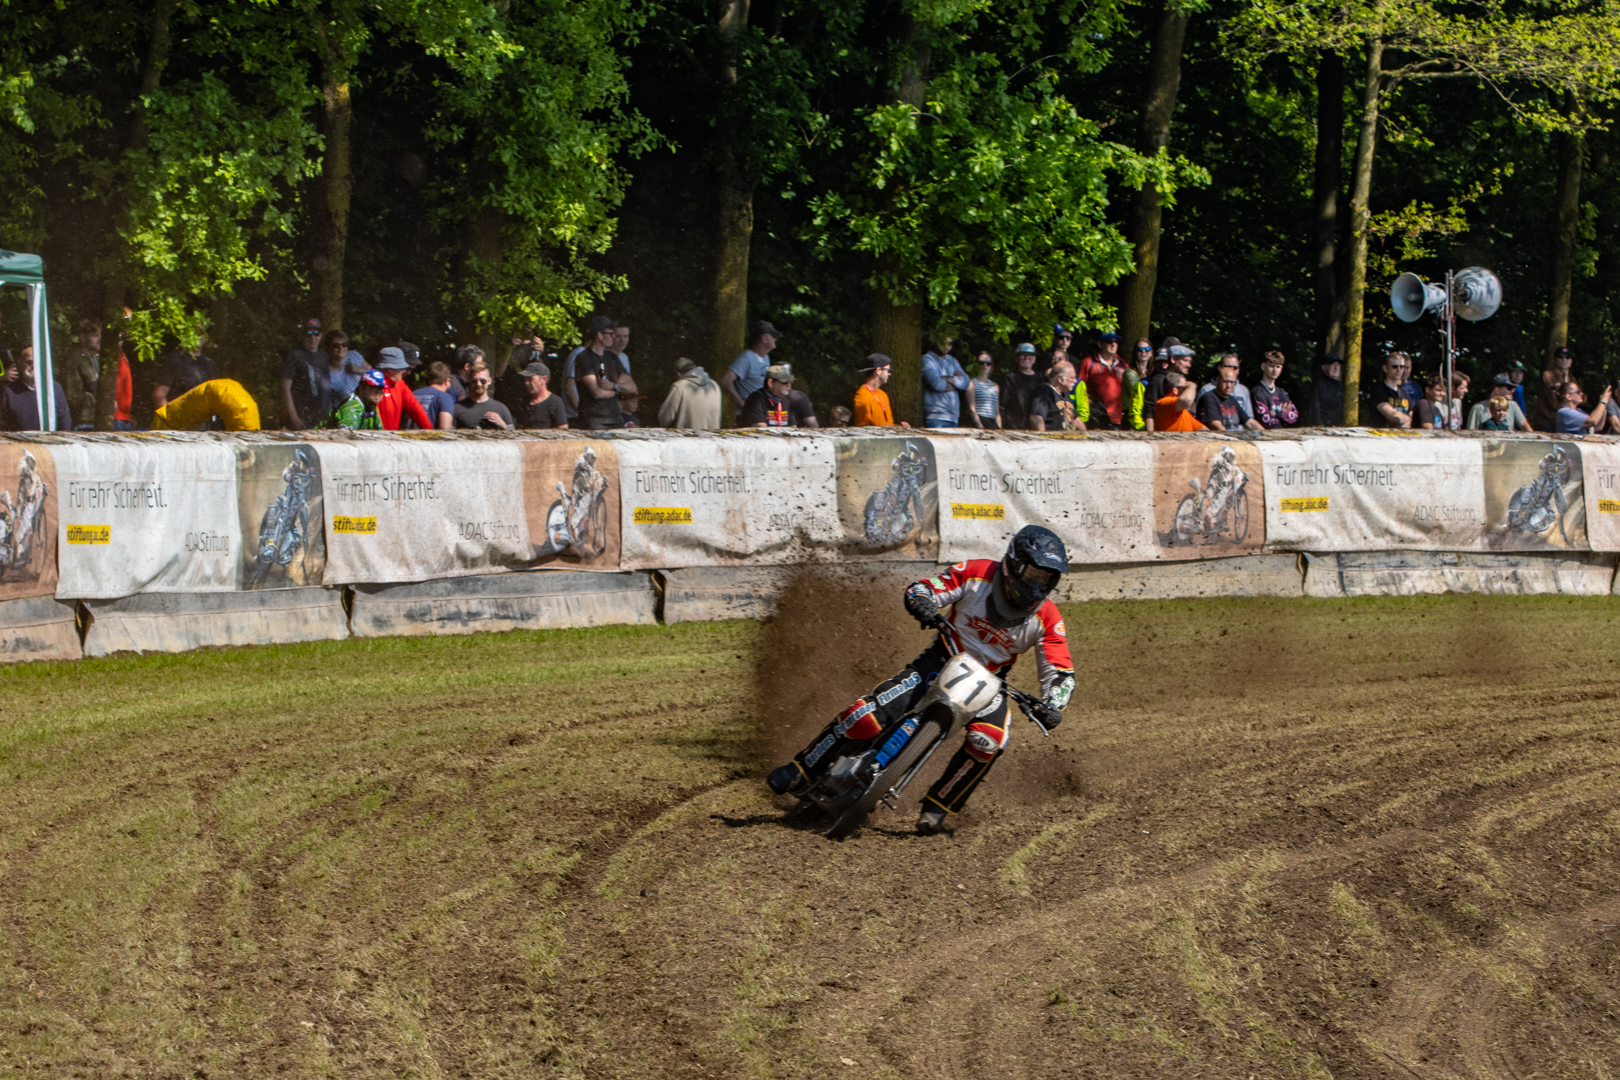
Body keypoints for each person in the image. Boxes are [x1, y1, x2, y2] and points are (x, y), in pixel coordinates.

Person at [764, 526, 1076, 835]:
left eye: (1047, 579)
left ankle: (937, 808)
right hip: (941, 659)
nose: (1039, 585)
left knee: (990, 739)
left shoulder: (1048, 617)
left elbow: (1060, 672)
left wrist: (1053, 704)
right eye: (1035, 574)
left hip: (991, 683)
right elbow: (925, 587)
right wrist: (922, 601)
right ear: (1014, 564)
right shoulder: (976, 573)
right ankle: (803, 768)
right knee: (865, 716)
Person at [574, 318, 635, 430]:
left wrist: (613, 386)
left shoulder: (612, 357)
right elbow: (597, 393)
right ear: (600, 335)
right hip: (594, 421)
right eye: (610, 333)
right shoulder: (584, 358)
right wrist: (618, 390)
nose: (614, 336)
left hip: (616, 419)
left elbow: (632, 388)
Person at [0, 347, 72, 431]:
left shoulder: (54, 388)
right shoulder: (9, 391)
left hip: (50, 438)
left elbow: (65, 420)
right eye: (29, 362)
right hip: (17, 439)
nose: (33, 366)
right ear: (20, 363)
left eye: (37, 362)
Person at [368, 347, 435, 430]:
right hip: (371, 435)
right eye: (401, 368)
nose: (403, 371)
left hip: (392, 436)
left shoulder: (399, 383)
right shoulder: (371, 384)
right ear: (388, 370)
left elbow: (414, 408)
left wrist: (429, 430)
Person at [719, 320, 781, 410]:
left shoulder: (765, 357)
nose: (775, 339)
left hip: (761, 411)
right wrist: (741, 403)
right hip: (749, 414)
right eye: (773, 336)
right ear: (764, 339)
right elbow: (725, 381)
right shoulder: (746, 358)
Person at [281, 318, 330, 429]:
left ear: (321, 336)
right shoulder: (295, 355)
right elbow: (285, 387)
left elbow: (326, 388)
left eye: (316, 333)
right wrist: (294, 417)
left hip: (320, 418)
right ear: (302, 336)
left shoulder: (324, 356)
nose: (313, 337)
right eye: (308, 333)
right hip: (300, 417)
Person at [739, 363, 818, 428]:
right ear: (771, 383)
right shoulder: (756, 399)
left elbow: (793, 428)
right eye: (785, 382)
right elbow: (761, 430)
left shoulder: (786, 399)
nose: (789, 385)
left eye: (790, 382)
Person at [1075, 332, 1126, 429]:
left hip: (1119, 419)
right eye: (1109, 341)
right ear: (1100, 344)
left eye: (1116, 341)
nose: (1113, 344)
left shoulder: (1123, 364)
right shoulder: (1088, 363)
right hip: (1096, 418)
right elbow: (1078, 386)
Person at [153, 339, 217, 412]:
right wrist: (169, 417)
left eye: (202, 333)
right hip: (178, 415)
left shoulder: (209, 363)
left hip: (204, 417)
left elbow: (214, 395)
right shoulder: (173, 359)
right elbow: (159, 396)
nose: (199, 336)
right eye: (196, 333)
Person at [658, 357, 722, 430]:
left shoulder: (679, 387)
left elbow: (665, 419)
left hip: (688, 436)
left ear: (678, 374)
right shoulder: (714, 386)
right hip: (713, 436)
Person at [1144, 338, 1193, 431]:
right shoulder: (1158, 380)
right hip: (1163, 434)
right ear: (1173, 359)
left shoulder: (1182, 380)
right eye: (1185, 360)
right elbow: (1149, 411)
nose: (1188, 365)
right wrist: (1151, 436)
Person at [921, 336, 970, 428]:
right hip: (935, 417)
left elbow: (966, 382)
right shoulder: (927, 359)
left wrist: (947, 380)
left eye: (949, 343)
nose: (946, 346)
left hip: (953, 418)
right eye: (943, 342)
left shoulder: (953, 361)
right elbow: (936, 383)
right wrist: (956, 382)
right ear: (935, 342)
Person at [62, 319, 101, 429]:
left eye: (100, 335)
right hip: (83, 420)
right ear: (83, 337)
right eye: (95, 335)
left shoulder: (98, 359)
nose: (100, 339)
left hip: (99, 418)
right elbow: (72, 395)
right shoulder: (74, 360)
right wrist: (98, 399)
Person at [452, 361, 516, 429]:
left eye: (483, 381)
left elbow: (513, 434)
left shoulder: (501, 409)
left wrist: (502, 424)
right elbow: (450, 434)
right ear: (469, 381)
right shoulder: (457, 409)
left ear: (489, 381)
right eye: (474, 381)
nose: (478, 384)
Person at [1194, 367, 1261, 431]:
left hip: (1232, 437)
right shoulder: (1209, 397)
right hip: (1216, 438)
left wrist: (1265, 434)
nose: (1228, 386)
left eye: (1232, 382)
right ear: (1218, 380)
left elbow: (1249, 423)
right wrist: (1231, 438)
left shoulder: (1232, 400)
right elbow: (1215, 425)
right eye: (1225, 381)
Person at [852, 354, 908, 427]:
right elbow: (863, 430)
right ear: (878, 371)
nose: (889, 374)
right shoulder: (862, 397)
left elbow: (886, 426)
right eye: (887, 370)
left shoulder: (883, 395)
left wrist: (899, 427)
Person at [1028, 360, 1083, 432]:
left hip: (1069, 438)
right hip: (1053, 438)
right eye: (1072, 378)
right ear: (1060, 379)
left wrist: (1087, 436)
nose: (1075, 381)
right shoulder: (1043, 391)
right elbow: (1036, 417)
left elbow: (1076, 420)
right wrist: (1042, 437)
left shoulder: (1065, 394)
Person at [1000, 343, 1044, 430]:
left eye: (1030, 355)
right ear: (1016, 358)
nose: (1026, 358)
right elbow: (1001, 405)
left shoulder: (1041, 379)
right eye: (1023, 355)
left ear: (1034, 358)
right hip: (1014, 428)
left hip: (1036, 428)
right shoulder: (1009, 379)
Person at [1251, 350, 1299, 429]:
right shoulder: (1258, 392)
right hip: (1263, 435)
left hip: (1281, 434)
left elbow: (1294, 416)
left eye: (1278, 367)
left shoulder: (1282, 392)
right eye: (1271, 366)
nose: (1275, 370)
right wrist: (1284, 413)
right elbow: (1266, 421)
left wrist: (1276, 413)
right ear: (1263, 366)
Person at [1197, 353, 1254, 419]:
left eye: (1235, 368)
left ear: (1238, 370)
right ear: (1219, 368)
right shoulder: (1207, 390)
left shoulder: (1243, 390)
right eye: (1228, 367)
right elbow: (1198, 416)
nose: (1231, 370)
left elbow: (1249, 417)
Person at [1467, 375, 1532, 431]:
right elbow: (1471, 432)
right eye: (1509, 388)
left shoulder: (1512, 405)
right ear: (1497, 390)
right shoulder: (1478, 408)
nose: (1512, 391)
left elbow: (1524, 425)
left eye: (1513, 388)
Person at [1369, 353, 1416, 429]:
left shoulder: (1404, 393)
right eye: (1395, 366)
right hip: (1382, 434)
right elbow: (1393, 417)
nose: (1399, 370)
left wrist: (1404, 420)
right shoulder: (1379, 390)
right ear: (1385, 368)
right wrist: (1407, 419)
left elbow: (1413, 418)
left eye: (1402, 367)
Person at [517, 359, 567, 429]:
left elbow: (562, 429)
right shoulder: (524, 401)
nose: (526, 383)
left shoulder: (555, 402)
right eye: (525, 379)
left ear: (544, 379)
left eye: (530, 379)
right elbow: (519, 427)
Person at [1536, 346, 1576, 431]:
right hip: (1547, 421)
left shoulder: (1572, 378)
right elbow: (1554, 402)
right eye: (1560, 357)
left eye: (1567, 357)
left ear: (1571, 361)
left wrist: (1565, 382)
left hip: (1564, 420)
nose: (1564, 360)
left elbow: (1582, 399)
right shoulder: (1547, 375)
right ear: (1555, 360)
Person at [412, 361, 458, 430]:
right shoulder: (445, 398)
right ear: (447, 381)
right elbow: (445, 429)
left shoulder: (413, 394)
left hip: (406, 436)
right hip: (429, 436)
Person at [1120, 338, 1152, 431]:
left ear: (1151, 352)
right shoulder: (1129, 373)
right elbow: (1140, 394)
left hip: (1145, 414)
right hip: (1131, 419)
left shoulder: (1153, 372)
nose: (1143, 352)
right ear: (1135, 353)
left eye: (1147, 349)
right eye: (1139, 349)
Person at [1308, 353, 1344, 426]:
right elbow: (1315, 408)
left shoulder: (1341, 386)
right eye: (1333, 364)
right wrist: (1320, 426)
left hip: (1340, 427)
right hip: (1323, 427)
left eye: (1338, 365)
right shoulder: (1318, 385)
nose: (1336, 368)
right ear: (1324, 367)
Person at [968, 351, 1000, 429]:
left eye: (988, 363)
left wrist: (999, 428)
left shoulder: (995, 386)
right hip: (979, 421)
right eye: (981, 363)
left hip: (992, 423)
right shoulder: (971, 383)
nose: (985, 365)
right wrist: (979, 426)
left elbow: (997, 413)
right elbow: (971, 409)